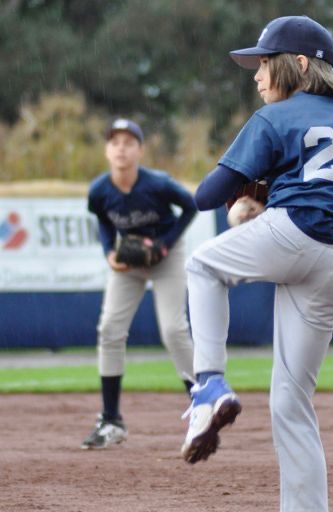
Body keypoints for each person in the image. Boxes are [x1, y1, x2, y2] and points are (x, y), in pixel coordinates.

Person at [181, 15, 333, 511]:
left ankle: (208, 386)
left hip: (293, 232)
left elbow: (205, 196)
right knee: (292, 403)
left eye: (264, 64)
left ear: (298, 65)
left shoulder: (279, 116)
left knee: (204, 267)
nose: (256, 75)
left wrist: (257, 193)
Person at [82, 118, 197, 449]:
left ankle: (204, 405)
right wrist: (107, 252)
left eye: (128, 142)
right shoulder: (100, 190)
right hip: (130, 262)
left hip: (167, 258)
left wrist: (165, 244)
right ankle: (110, 421)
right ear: (107, 150)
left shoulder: (158, 183)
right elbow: (103, 220)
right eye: (115, 142)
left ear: (140, 150)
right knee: (109, 330)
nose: (121, 148)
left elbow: (190, 206)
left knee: (174, 330)